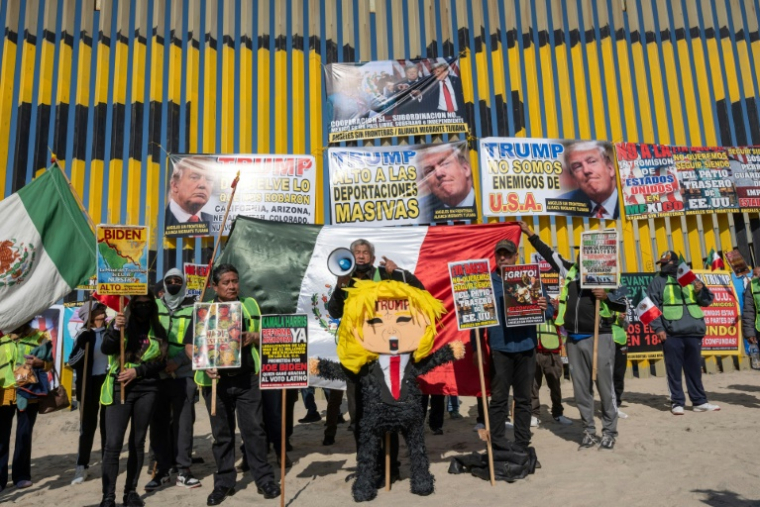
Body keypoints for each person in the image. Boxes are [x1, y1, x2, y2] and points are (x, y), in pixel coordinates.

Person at [522, 221, 627, 450]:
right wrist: (530, 234)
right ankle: (588, 430)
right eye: (581, 253)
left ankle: (609, 432)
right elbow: (550, 255)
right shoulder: (569, 270)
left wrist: (606, 296)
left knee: (605, 388)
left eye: (587, 254)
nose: (582, 257)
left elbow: (625, 303)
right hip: (573, 340)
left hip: (600, 337)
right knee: (581, 390)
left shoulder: (608, 276)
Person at [325, 239, 423, 475]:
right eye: (356, 252)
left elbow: (419, 291)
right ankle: (368, 466)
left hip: (383, 359)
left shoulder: (385, 274)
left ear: (371, 255)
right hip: (355, 361)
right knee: (359, 415)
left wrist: (400, 273)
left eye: (365, 252)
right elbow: (334, 312)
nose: (360, 256)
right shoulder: (345, 279)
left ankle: (391, 466)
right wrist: (340, 287)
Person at [184, 264, 279, 505]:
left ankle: (264, 479)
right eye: (225, 282)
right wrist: (204, 364)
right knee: (221, 435)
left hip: (248, 380)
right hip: (215, 383)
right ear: (214, 286)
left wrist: (254, 337)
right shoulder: (204, 311)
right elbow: (189, 345)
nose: (231, 286)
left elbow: (268, 334)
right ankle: (224, 482)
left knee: (255, 431)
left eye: (234, 281)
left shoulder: (249, 306)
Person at [480, 238, 552, 452]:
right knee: (499, 400)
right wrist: (477, 350)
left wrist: (543, 306)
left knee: (523, 400)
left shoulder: (531, 278)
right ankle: (499, 446)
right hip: (500, 349)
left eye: (507, 254)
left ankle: (522, 444)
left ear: (515, 257)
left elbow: (548, 313)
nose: (503, 257)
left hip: (526, 348)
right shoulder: (486, 282)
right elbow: (476, 320)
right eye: (499, 254)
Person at [99, 292, 167, 507]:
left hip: (147, 389)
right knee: (113, 444)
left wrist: (137, 372)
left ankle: (131, 492)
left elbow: (161, 361)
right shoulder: (121, 325)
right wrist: (115, 329)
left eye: (148, 304)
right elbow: (106, 348)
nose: (143, 307)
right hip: (120, 389)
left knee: (137, 442)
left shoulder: (158, 329)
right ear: (132, 305)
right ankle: (108, 496)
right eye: (139, 304)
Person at [145, 269, 201, 491]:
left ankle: (184, 470)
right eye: (170, 281)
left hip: (184, 372)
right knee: (158, 424)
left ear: (184, 283)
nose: (174, 283)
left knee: (184, 424)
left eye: (178, 280)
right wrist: (160, 363)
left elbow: (197, 340)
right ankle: (162, 470)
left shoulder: (193, 309)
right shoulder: (154, 307)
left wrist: (177, 362)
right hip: (157, 373)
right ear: (164, 284)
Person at [647, 251, 720, 415]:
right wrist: (658, 328)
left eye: (667, 263)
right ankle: (677, 403)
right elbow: (650, 307)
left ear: (676, 263)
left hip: (693, 331)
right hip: (671, 333)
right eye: (662, 264)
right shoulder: (658, 281)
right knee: (674, 370)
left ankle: (699, 402)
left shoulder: (691, 278)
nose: (664, 266)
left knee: (694, 369)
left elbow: (707, 301)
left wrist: (701, 290)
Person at [0, 321, 53, 492]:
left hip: (28, 392)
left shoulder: (40, 336)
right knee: (1, 436)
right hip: (3, 391)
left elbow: (50, 362)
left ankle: (21, 475)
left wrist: (40, 363)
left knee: (24, 434)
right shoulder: (2, 334)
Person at [69, 302, 110, 485]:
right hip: (89, 384)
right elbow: (72, 361)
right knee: (87, 427)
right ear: (90, 316)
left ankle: (108, 463)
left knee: (108, 426)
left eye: (103, 310)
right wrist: (83, 347)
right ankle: (82, 465)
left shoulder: (111, 332)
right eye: (98, 310)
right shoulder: (83, 335)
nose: (103, 312)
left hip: (108, 381)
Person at [531, 298, 572, 427]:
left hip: (552, 352)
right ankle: (534, 415)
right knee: (533, 386)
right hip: (534, 350)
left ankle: (558, 413)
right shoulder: (529, 304)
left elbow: (563, 321)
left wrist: (558, 309)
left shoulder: (553, 307)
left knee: (555, 385)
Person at [558, 141, 620, 219]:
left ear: (610, 168)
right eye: (577, 167)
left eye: (592, 161)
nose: (586, 170)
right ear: (574, 178)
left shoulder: (633, 200)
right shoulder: (562, 206)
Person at [416, 143, 475, 221]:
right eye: (430, 171)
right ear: (427, 185)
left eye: (445, 164)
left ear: (465, 169)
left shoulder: (487, 202)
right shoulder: (422, 214)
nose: (439, 173)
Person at [165, 158, 214, 226]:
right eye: (194, 177)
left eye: (209, 179)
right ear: (175, 185)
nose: (203, 185)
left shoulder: (216, 223)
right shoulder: (160, 221)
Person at [612, 312, 629, 419]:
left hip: (622, 342)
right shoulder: (600, 302)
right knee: (606, 376)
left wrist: (623, 320)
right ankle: (608, 406)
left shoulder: (621, 303)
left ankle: (616, 406)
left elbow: (627, 326)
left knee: (619, 375)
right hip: (605, 342)